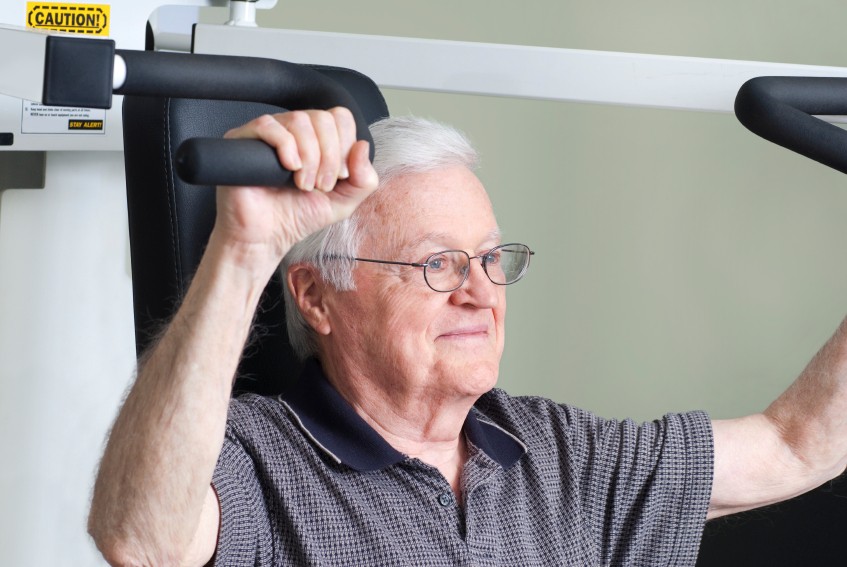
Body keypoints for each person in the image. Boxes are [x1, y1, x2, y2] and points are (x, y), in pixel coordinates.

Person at [88, 108, 847, 566]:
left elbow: (795, 444)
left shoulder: (556, 452)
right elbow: (141, 540)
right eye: (437, 262)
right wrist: (243, 248)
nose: (479, 289)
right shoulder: (258, 460)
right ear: (317, 296)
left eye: (489, 258)